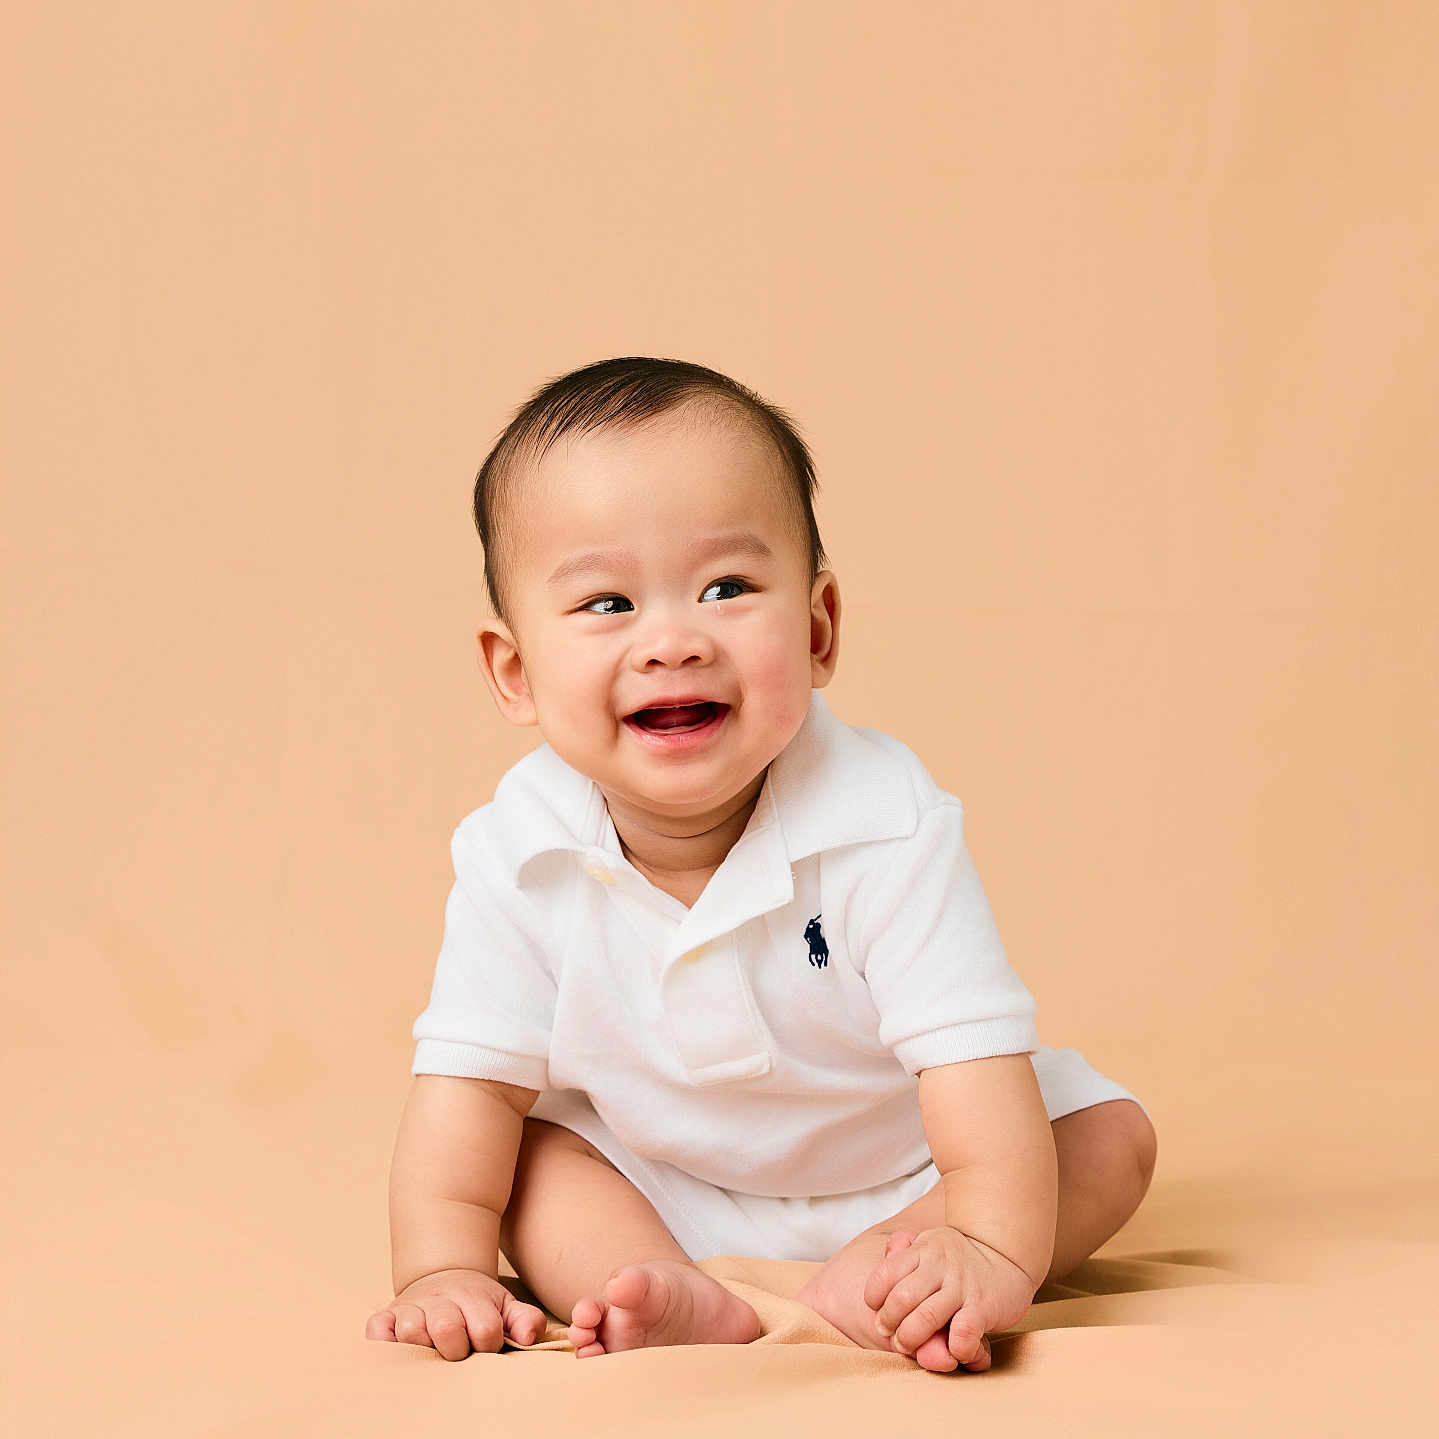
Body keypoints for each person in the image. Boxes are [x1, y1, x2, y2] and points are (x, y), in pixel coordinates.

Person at [365, 357, 1158, 1374]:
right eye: (606, 602)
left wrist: (988, 1237)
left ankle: (892, 1277)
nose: (671, 639)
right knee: (527, 1161)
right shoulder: (514, 853)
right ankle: (670, 1293)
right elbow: (466, 1088)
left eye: (726, 587)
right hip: (661, 1184)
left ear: (819, 626)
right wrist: (437, 1267)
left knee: (1101, 1133)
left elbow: (972, 1066)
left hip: (914, 1171)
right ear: (514, 671)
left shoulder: (884, 819)